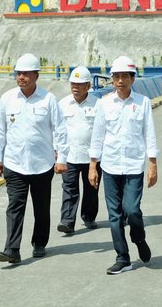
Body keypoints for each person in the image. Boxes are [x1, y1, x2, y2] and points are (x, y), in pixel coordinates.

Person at [0, 53, 68, 263]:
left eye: (26, 73)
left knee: (41, 207)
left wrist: (62, 158)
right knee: (15, 205)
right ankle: (12, 249)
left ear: (36, 75)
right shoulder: (7, 99)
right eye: (18, 73)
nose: (21, 77)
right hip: (14, 163)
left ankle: (40, 242)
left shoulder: (48, 99)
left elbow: (60, 130)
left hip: (42, 164)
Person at [88, 56, 158, 275]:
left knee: (132, 210)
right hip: (110, 166)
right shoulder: (104, 103)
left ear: (132, 79)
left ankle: (139, 239)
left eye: (124, 77)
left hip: (134, 166)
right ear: (112, 80)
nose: (120, 81)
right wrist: (93, 165)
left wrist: (153, 163)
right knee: (115, 215)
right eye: (116, 77)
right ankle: (122, 257)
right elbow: (97, 135)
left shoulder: (142, 102)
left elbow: (150, 133)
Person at [57, 66, 101, 234]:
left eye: (80, 84)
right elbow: (57, 130)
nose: (75, 87)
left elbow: (102, 130)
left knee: (91, 188)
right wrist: (57, 151)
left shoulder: (98, 104)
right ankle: (67, 221)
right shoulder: (62, 104)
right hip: (70, 155)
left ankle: (89, 216)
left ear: (88, 86)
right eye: (73, 84)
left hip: (92, 157)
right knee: (69, 187)